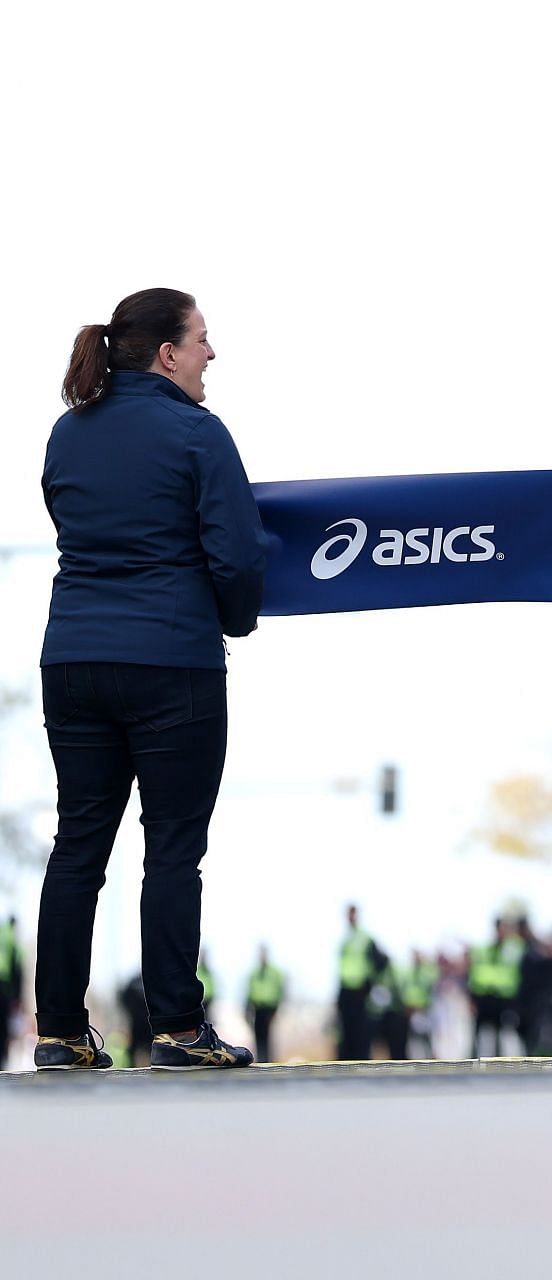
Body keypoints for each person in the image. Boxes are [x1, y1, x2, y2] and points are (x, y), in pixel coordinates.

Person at [33, 288, 266, 1072]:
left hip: (71, 660)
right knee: (171, 850)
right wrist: (234, 619)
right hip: (172, 664)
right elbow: (236, 553)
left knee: (77, 847)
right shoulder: (198, 434)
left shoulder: (67, 434)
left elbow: (74, 527)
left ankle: (60, 1032)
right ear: (167, 354)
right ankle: (175, 1027)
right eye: (202, 339)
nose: (210, 354)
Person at [467, 917, 524, 1058]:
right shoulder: (484, 949)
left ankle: (498, 1061)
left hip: (502, 997)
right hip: (484, 996)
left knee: (500, 1033)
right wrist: (472, 997)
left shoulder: (514, 949)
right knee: (478, 1033)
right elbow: (475, 974)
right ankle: (474, 1060)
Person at [337, 903, 379, 1060]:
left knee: (361, 1028)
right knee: (345, 1029)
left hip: (361, 988)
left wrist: (370, 982)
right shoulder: (345, 938)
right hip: (346, 987)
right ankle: (347, 1060)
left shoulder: (365, 937)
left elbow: (378, 961)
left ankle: (362, 1058)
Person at [245, 945, 286, 1063]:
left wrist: (276, 1009)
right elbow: (250, 991)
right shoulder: (254, 973)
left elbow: (280, 990)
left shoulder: (274, 973)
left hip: (269, 1008)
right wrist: (248, 1008)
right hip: (257, 1008)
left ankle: (268, 1059)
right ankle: (261, 1059)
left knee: (268, 1036)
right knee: (258, 1035)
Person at [0, 914, 22, 1071]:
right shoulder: (11, 938)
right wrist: (17, 997)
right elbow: (17, 970)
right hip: (4, 989)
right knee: (3, 1029)